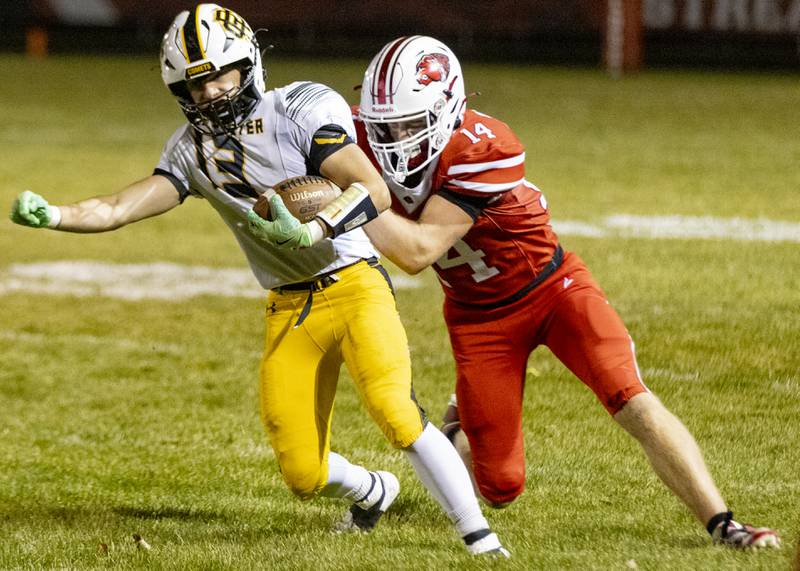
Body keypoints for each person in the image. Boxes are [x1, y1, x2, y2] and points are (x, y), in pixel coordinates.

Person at [8, 8, 508, 556]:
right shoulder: (191, 150)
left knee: (395, 411)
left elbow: (374, 190)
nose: (214, 92)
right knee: (301, 472)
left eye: (222, 74)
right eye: (197, 84)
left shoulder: (298, 109)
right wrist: (56, 215)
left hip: (355, 283)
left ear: (250, 64)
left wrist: (313, 228)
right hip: (290, 307)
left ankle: (479, 540)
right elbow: (120, 206)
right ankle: (373, 490)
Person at [350, 35, 780, 550]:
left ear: (446, 110)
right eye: (382, 125)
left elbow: (418, 252)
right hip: (478, 318)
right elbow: (302, 129)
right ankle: (458, 428)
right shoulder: (356, 131)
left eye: (408, 125)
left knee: (631, 399)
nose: (392, 137)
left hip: (554, 290)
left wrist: (347, 198)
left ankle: (724, 524)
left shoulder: (485, 148)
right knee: (500, 487)